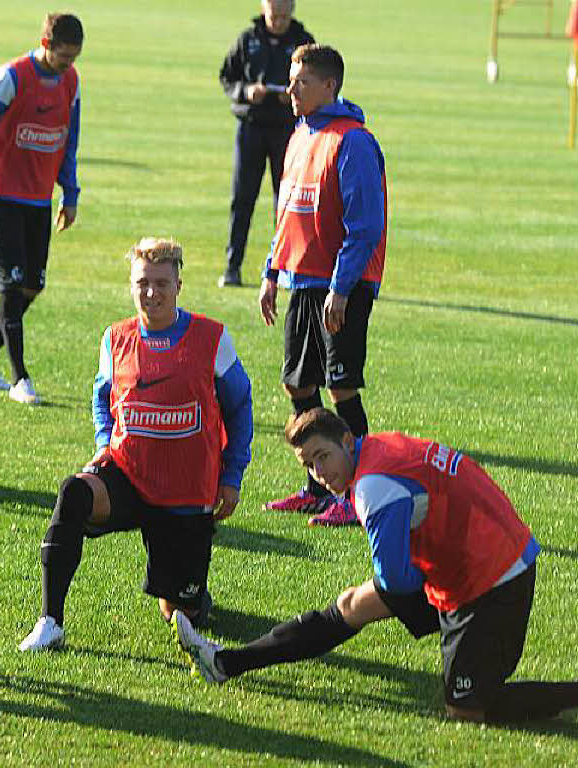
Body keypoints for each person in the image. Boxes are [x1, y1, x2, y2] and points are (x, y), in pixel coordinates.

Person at [173, 408, 578, 723]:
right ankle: (226, 663)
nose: (319, 472)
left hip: (494, 581)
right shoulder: (379, 448)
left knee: (467, 709)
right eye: (309, 465)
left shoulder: (373, 487)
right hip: (489, 559)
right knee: (352, 605)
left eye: (323, 456)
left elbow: (398, 581)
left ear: (347, 441)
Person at [19, 237, 254, 651]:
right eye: (143, 283)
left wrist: (231, 475)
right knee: (74, 492)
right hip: (127, 475)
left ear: (179, 285)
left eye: (162, 283)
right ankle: (49, 621)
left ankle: (192, 594)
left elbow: (240, 407)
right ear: (131, 284)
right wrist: (103, 441)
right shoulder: (115, 338)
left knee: (180, 613)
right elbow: (101, 395)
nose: (152, 293)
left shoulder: (212, 338)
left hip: (185, 491)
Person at [258, 44, 387, 526]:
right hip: (300, 280)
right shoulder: (299, 135)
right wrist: (272, 272)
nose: (290, 89)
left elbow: (364, 226)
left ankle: (360, 494)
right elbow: (287, 211)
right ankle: (317, 488)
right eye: (291, 80)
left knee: (342, 388)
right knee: (299, 384)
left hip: (341, 285)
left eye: (301, 82)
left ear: (329, 86)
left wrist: (341, 287)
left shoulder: (351, 141)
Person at [0, 12, 83, 406]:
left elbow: (68, 139)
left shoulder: (71, 82)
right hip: (0, 198)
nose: (69, 66)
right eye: (64, 57)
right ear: (46, 44)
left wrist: (71, 192)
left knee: (31, 286)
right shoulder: (10, 78)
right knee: (13, 286)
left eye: (74, 58)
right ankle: (20, 378)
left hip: (38, 200)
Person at [218, 0, 314, 288]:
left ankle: (285, 269)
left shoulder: (303, 42)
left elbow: (318, 81)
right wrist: (246, 91)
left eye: (285, 16)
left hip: (288, 130)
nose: (280, 21)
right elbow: (227, 76)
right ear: (264, 9)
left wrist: (296, 94)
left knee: (286, 202)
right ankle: (233, 267)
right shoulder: (248, 40)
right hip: (251, 128)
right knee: (242, 199)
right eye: (275, 15)